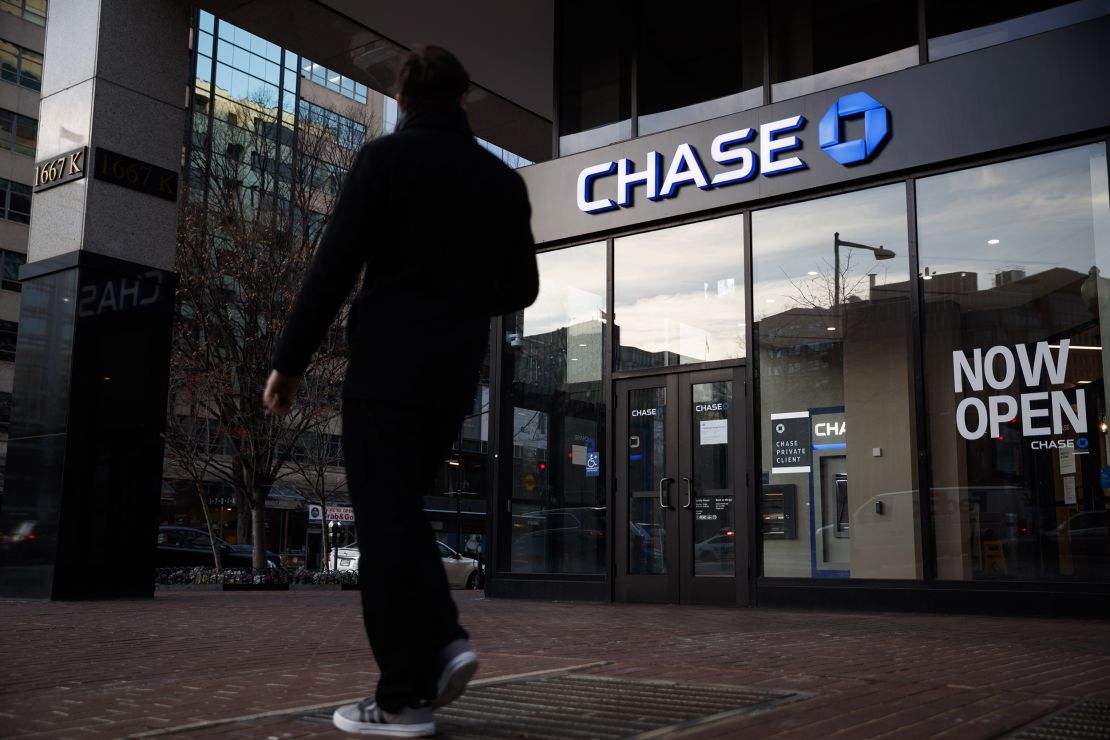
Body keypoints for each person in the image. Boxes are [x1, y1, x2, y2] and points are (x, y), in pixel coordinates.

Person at [262, 45, 538, 737]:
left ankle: (409, 688)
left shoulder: (384, 161)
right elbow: (523, 288)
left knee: (386, 525)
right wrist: (462, 293)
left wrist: (288, 363)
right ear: (464, 95)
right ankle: (424, 668)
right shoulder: (501, 183)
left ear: (407, 97)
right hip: (453, 375)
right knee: (399, 516)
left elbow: (333, 267)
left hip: (387, 368)